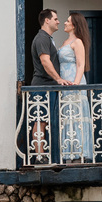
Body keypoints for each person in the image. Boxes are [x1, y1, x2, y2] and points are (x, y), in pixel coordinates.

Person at [27, 9, 67, 163]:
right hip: (42, 87)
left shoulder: (47, 38)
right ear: (47, 20)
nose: (58, 21)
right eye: (56, 19)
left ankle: (43, 155)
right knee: (39, 121)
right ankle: (39, 156)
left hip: (46, 87)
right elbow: (45, 61)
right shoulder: (42, 38)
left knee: (43, 121)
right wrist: (58, 79)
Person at [58, 12, 94, 162]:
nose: (64, 23)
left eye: (67, 21)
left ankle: (79, 155)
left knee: (77, 118)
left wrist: (76, 84)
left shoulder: (78, 42)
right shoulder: (65, 42)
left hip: (74, 82)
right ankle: (68, 155)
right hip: (65, 84)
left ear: (74, 25)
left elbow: (80, 64)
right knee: (68, 118)